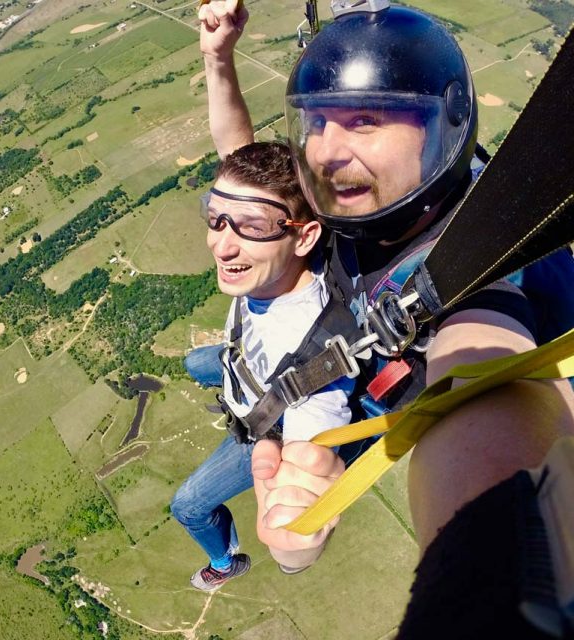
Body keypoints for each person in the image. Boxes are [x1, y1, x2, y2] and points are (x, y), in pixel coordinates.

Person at [196, 0, 574, 600]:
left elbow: (488, 381)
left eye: (366, 120)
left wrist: (493, 595)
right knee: (205, 363)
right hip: (334, 341)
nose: (325, 151)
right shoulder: (363, 204)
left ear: (439, 126)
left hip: (361, 384)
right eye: (317, 122)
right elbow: (250, 187)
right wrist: (218, 59)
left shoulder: (478, 263)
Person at [170, 141, 354, 591]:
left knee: (188, 505)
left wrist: (294, 542)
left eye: (250, 227)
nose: (221, 244)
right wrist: (218, 68)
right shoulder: (275, 268)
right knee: (195, 363)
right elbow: (233, 145)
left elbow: (305, 464)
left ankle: (225, 561)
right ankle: (226, 381)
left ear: (305, 235)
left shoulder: (316, 364)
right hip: (247, 367)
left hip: (264, 424)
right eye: (215, 217)